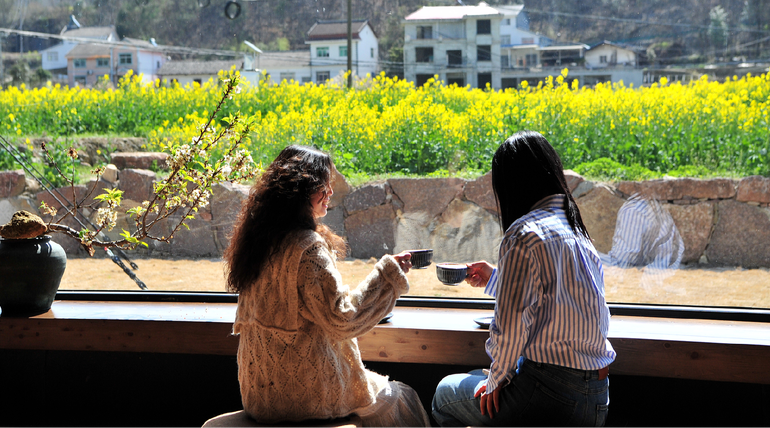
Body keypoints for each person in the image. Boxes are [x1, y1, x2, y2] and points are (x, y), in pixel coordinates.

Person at [224, 145, 431, 428]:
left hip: (260, 397)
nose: (331, 192)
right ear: (301, 190)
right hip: (308, 397)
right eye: (323, 185)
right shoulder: (307, 248)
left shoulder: (258, 242)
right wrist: (388, 275)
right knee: (401, 397)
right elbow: (342, 319)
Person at [431, 131, 617, 428]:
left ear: (511, 185)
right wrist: (496, 280)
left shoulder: (523, 233)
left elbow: (511, 328)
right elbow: (556, 299)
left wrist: (495, 380)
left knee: (445, 394)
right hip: (596, 398)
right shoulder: (576, 231)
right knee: (483, 377)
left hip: (549, 396)